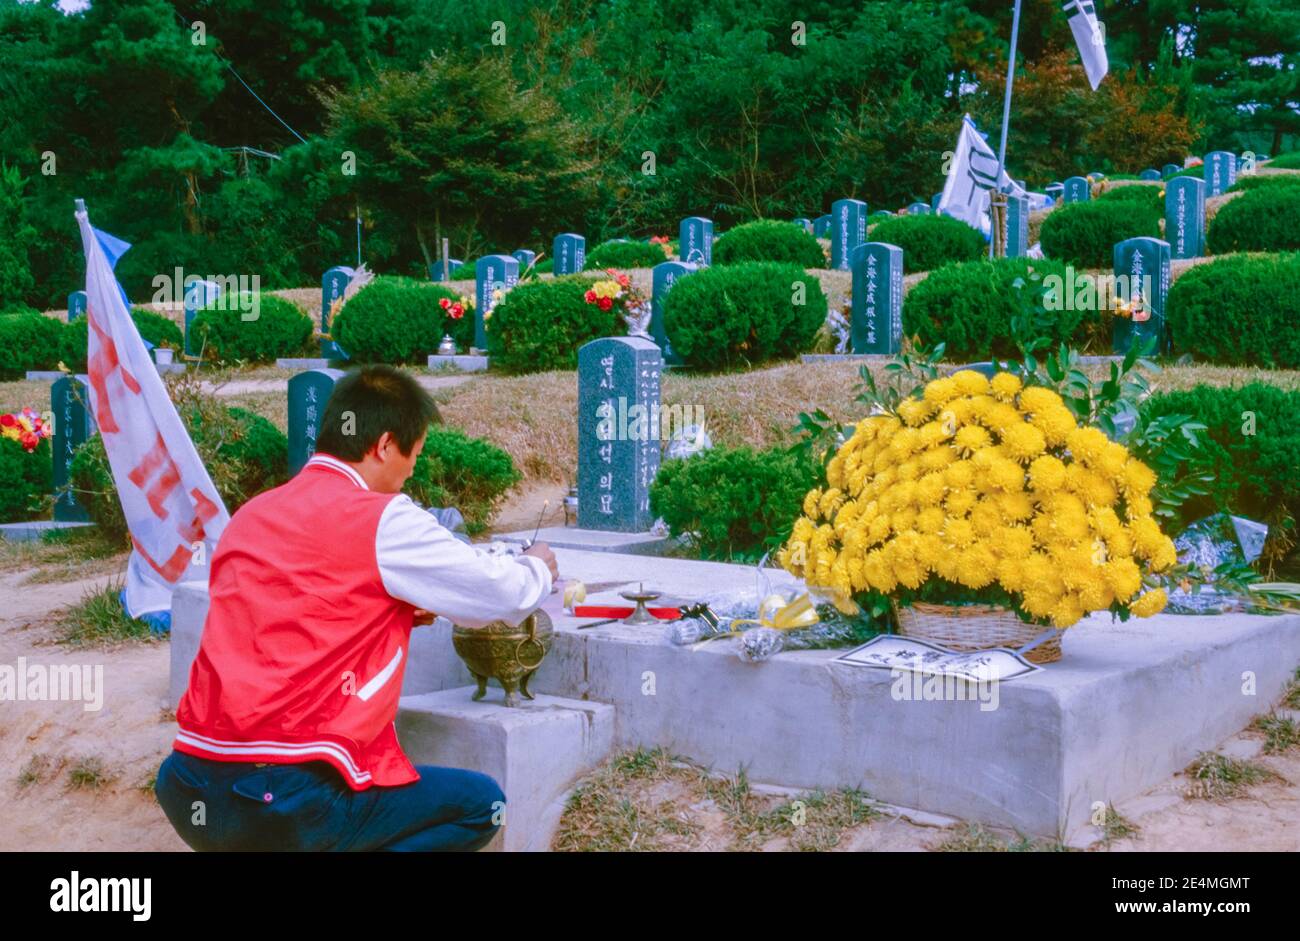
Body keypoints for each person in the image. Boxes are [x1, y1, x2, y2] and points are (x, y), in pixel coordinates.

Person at [154, 365, 558, 851]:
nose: (412, 469)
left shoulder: (252, 513)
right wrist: (538, 568)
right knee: (481, 805)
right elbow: (500, 594)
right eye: (415, 452)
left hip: (191, 786)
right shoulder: (382, 517)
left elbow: (300, 606)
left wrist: (395, 609)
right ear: (385, 445)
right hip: (283, 798)